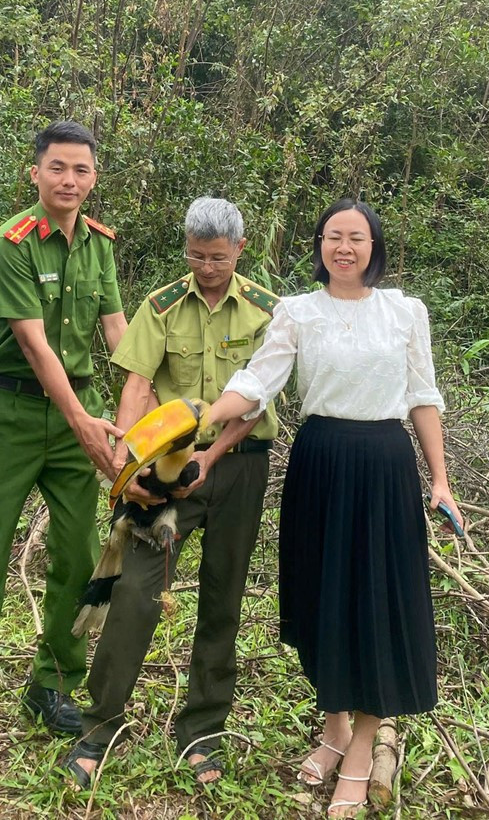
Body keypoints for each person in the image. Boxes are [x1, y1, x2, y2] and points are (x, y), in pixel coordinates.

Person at [206, 198, 463, 818]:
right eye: (332, 237)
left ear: (374, 246)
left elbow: (423, 396)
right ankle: (335, 726)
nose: (343, 247)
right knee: (324, 596)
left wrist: (441, 480)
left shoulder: (404, 311)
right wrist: (198, 421)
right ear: (319, 244)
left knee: (375, 598)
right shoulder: (296, 312)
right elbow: (256, 382)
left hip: (383, 465)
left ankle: (362, 749)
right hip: (319, 461)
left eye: (356, 237)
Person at [63, 197, 279, 790]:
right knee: (134, 592)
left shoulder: (267, 312)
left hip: (238, 467)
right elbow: (136, 384)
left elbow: (258, 397)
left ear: (239, 250)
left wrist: (213, 453)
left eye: (216, 257)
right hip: (167, 471)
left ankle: (202, 733)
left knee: (222, 597)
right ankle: (98, 729)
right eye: (195, 256)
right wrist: (126, 467)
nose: (206, 267)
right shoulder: (160, 306)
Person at [0, 120, 127, 767]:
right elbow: (32, 343)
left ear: (94, 177)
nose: (69, 180)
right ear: (36, 173)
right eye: (57, 168)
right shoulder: (10, 243)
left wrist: (139, 410)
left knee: (78, 555)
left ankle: (50, 685)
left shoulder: (100, 244)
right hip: (12, 411)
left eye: (80, 170)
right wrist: (81, 419)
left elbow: (118, 334)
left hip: (81, 415)